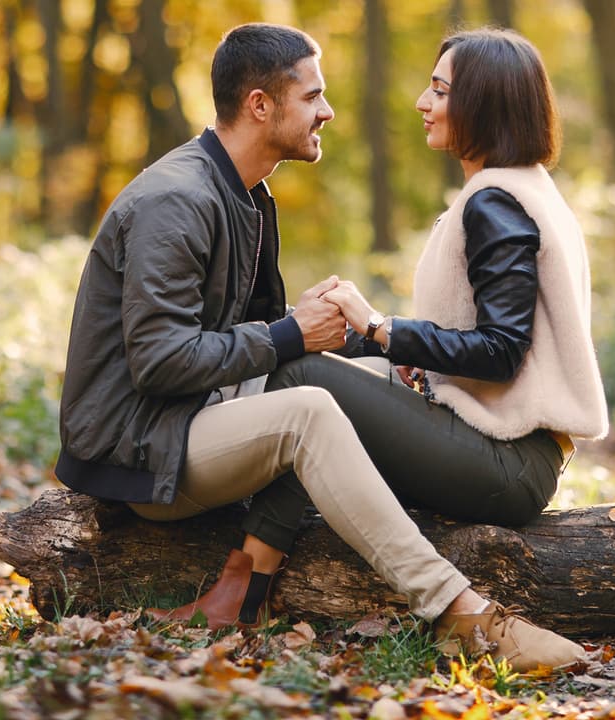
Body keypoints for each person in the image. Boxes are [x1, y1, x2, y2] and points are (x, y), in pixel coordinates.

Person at [57, 23, 586, 671]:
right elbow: (164, 362)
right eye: (313, 97)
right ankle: (460, 612)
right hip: (143, 447)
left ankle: (242, 591)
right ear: (260, 105)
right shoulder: (178, 200)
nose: (328, 111)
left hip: (188, 418)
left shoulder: (245, 196)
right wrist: (298, 333)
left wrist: (351, 339)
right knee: (308, 403)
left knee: (330, 374)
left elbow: (256, 341)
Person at [263, 27, 611, 662]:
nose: (424, 102)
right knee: (319, 362)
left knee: (299, 380)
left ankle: (254, 582)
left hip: (509, 464)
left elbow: (502, 350)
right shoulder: (522, 185)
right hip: (507, 447)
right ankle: (246, 579)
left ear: (485, 103)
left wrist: (378, 327)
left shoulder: (496, 203)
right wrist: (349, 336)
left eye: (441, 89)